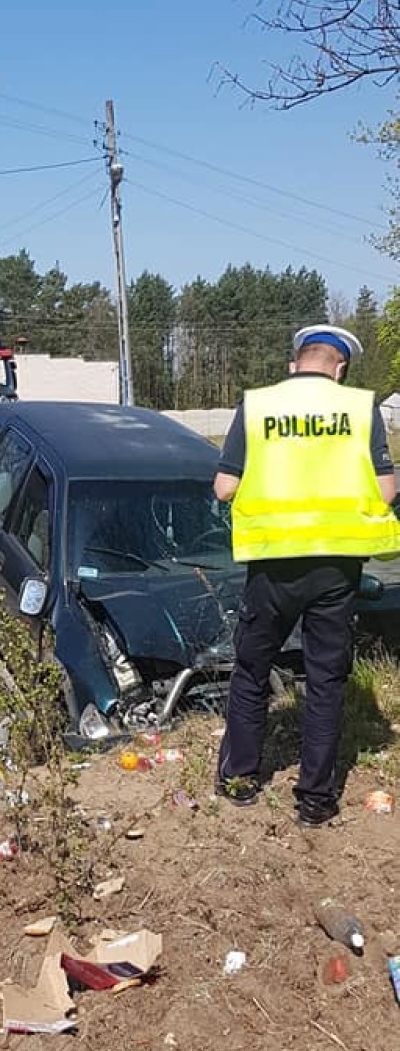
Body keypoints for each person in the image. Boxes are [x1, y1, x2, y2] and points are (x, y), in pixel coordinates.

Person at [214, 324, 400, 826]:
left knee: (252, 670)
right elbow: (385, 490)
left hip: (273, 563)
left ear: (295, 363)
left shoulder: (257, 406)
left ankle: (241, 781)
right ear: (339, 368)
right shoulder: (361, 408)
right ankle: (316, 800)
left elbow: (224, 487)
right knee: (325, 680)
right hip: (336, 565)